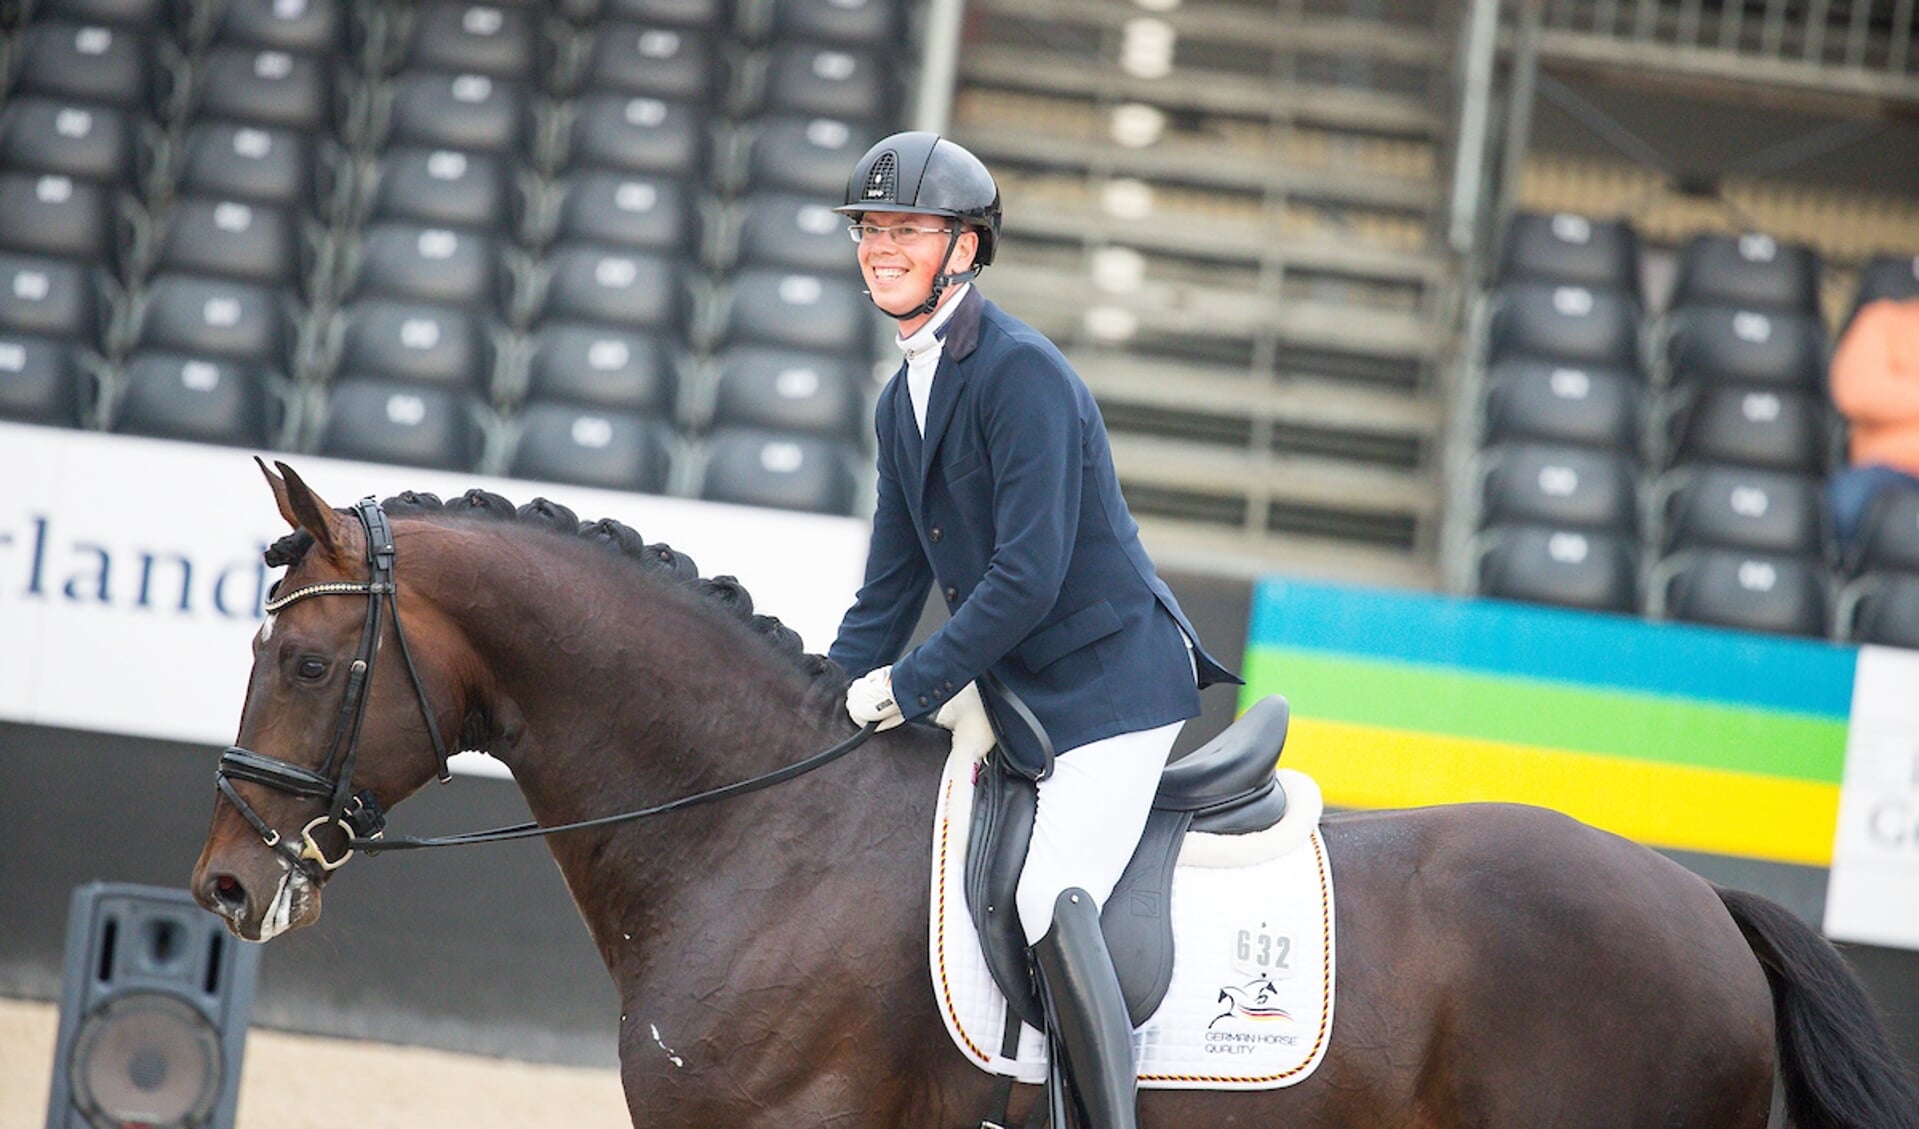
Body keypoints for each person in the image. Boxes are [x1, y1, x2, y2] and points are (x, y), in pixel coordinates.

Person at [825, 131, 1240, 1129]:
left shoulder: (1019, 374)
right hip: (1028, 700)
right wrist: (818, 701)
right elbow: (887, 588)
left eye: (907, 230)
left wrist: (908, 686)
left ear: (962, 249)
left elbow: (1026, 574)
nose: (882, 246)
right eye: (870, 229)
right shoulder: (902, 400)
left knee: (1049, 889)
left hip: (1110, 688)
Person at [1828, 295, 1919, 552]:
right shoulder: (1884, 321)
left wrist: (1899, 392)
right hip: (1888, 474)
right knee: (1848, 499)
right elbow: (1856, 392)